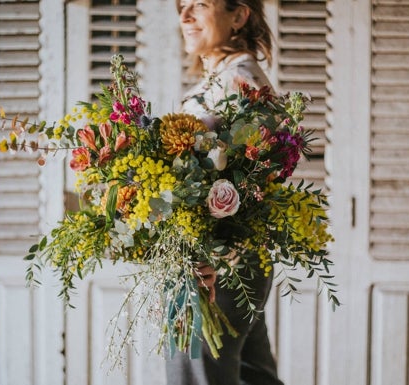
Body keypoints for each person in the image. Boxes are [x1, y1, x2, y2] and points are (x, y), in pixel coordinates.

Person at [165, 1, 285, 385]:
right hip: (231, 260)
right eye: (182, 5)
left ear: (239, 15)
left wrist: (210, 256)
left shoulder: (241, 82)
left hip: (215, 264)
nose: (185, 16)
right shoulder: (223, 78)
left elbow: (256, 181)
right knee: (254, 376)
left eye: (200, 4)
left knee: (197, 375)